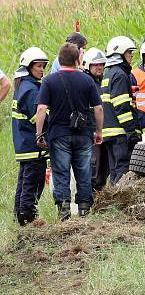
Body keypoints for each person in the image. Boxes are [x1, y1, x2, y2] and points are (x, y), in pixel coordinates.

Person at [35, 43, 103, 221]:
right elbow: (98, 109)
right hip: (83, 134)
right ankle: (84, 208)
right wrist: (99, 132)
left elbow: (41, 109)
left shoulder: (49, 81)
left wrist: (39, 134)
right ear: (76, 60)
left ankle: (64, 209)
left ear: (59, 60)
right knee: (83, 171)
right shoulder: (87, 80)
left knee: (61, 172)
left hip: (59, 134)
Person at [11, 47, 49, 225]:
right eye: (38, 66)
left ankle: (19, 215)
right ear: (28, 67)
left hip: (24, 145)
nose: (41, 69)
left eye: (43, 66)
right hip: (34, 147)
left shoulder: (22, 86)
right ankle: (27, 218)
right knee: (33, 184)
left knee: (24, 183)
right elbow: (38, 118)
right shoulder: (30, 89)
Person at [101, 36, 139, 184]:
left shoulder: (109, 74)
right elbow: (121, 106)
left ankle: (114, 204)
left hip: (109, 132)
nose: (131, 56)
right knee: (123, 169)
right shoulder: (120, 75)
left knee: (114, 170)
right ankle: (120, 202)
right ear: (121, 54)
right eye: (129, 52)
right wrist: (130, 130)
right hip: (120, 133)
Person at [82, 47, 110, 191]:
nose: (100, 67)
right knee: (95, 166)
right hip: (92, 132)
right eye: (96, 64)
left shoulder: (102, 83)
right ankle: (91, 195)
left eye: (101, 64)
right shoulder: (86, 83)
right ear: (87, 65)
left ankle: (98, 193)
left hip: (104, 131)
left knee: (103, 166)